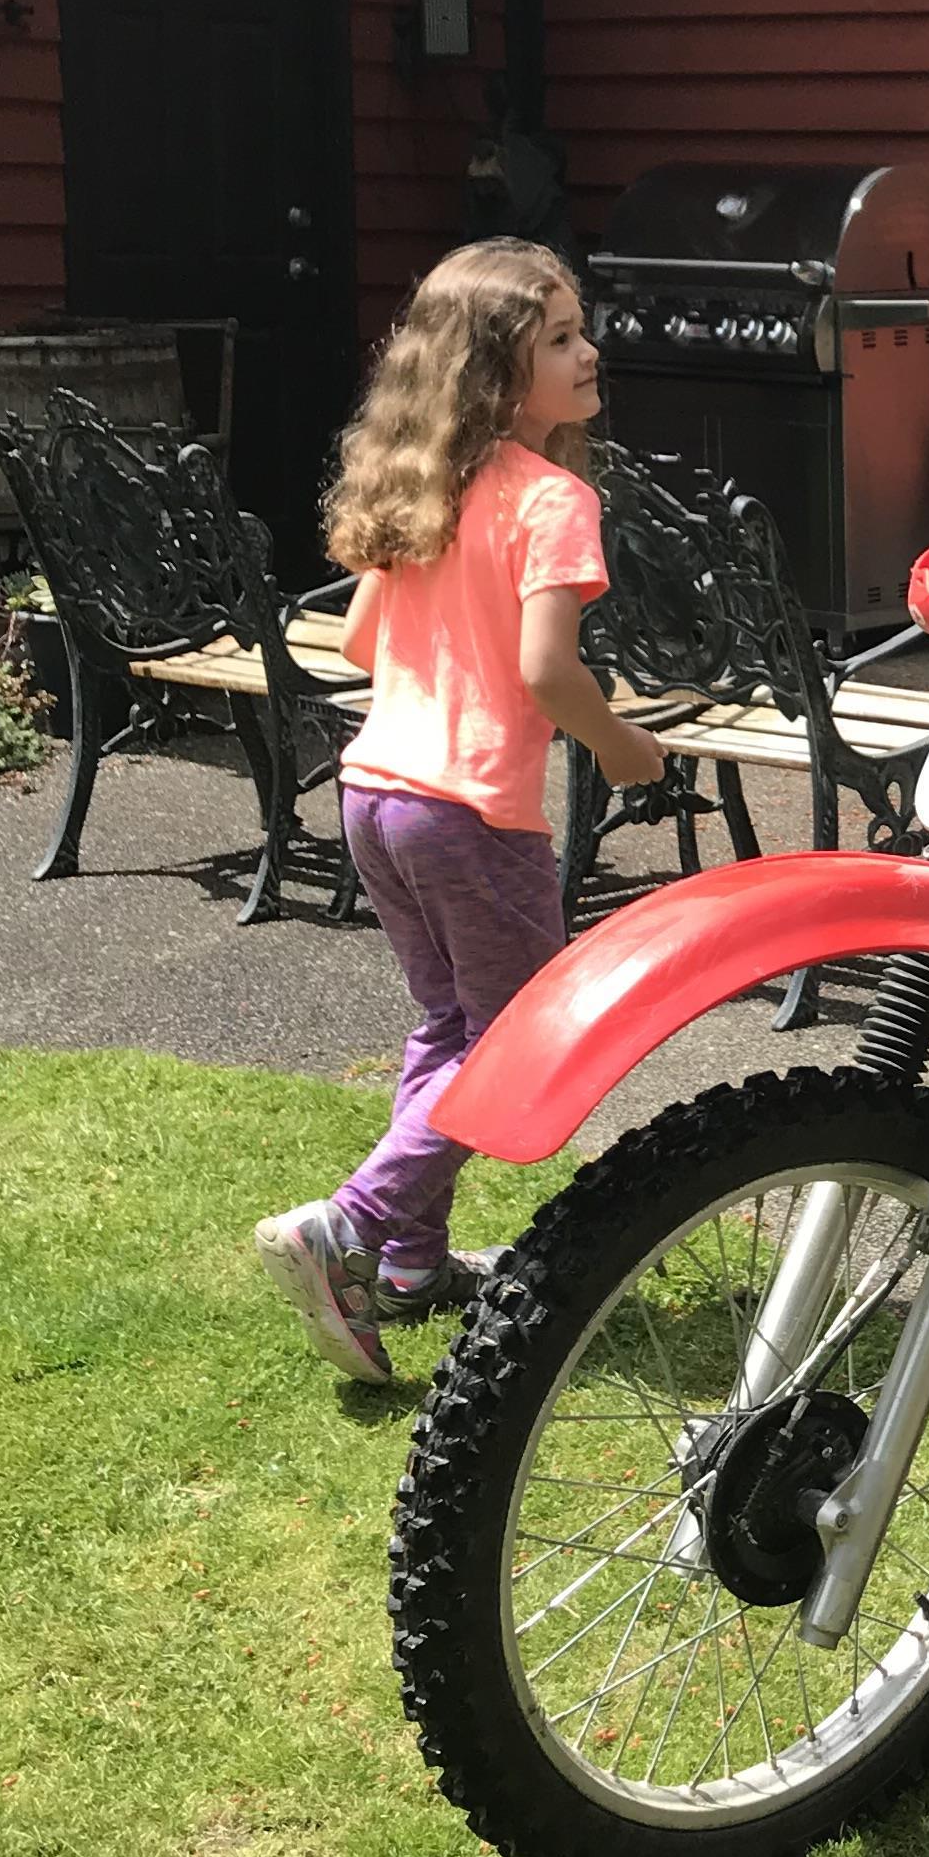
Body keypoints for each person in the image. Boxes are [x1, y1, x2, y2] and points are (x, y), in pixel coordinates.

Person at [255, 241, 663, 1387]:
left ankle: (411, 1267)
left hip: (375, 793)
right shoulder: (553, 500)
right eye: (561, 342)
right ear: (496, 372)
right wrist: (625, 748)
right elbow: (545, 671)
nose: (591, 354)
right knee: (510, 1037)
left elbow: (358, 641)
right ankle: (346, 1224)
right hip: (473, 814)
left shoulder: (427, 482)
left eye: (584, 331)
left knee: (446, 1027)